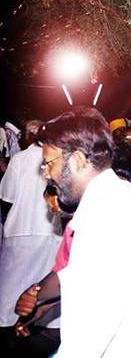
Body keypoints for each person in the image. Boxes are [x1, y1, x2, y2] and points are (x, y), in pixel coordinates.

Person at [37, 107, 131, 357]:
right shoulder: (128, 198)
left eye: (48, 163)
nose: (45, 173)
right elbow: (98, 279)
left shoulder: (105, 212)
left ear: (78, 160)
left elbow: (96, 318)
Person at [0, 119, 62, 353]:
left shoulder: (20, 159)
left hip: (20, 232)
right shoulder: (59, 156)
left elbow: (6, 198)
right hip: (50, 232)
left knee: (10, 293)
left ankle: (11, 332)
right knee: (42, 288)